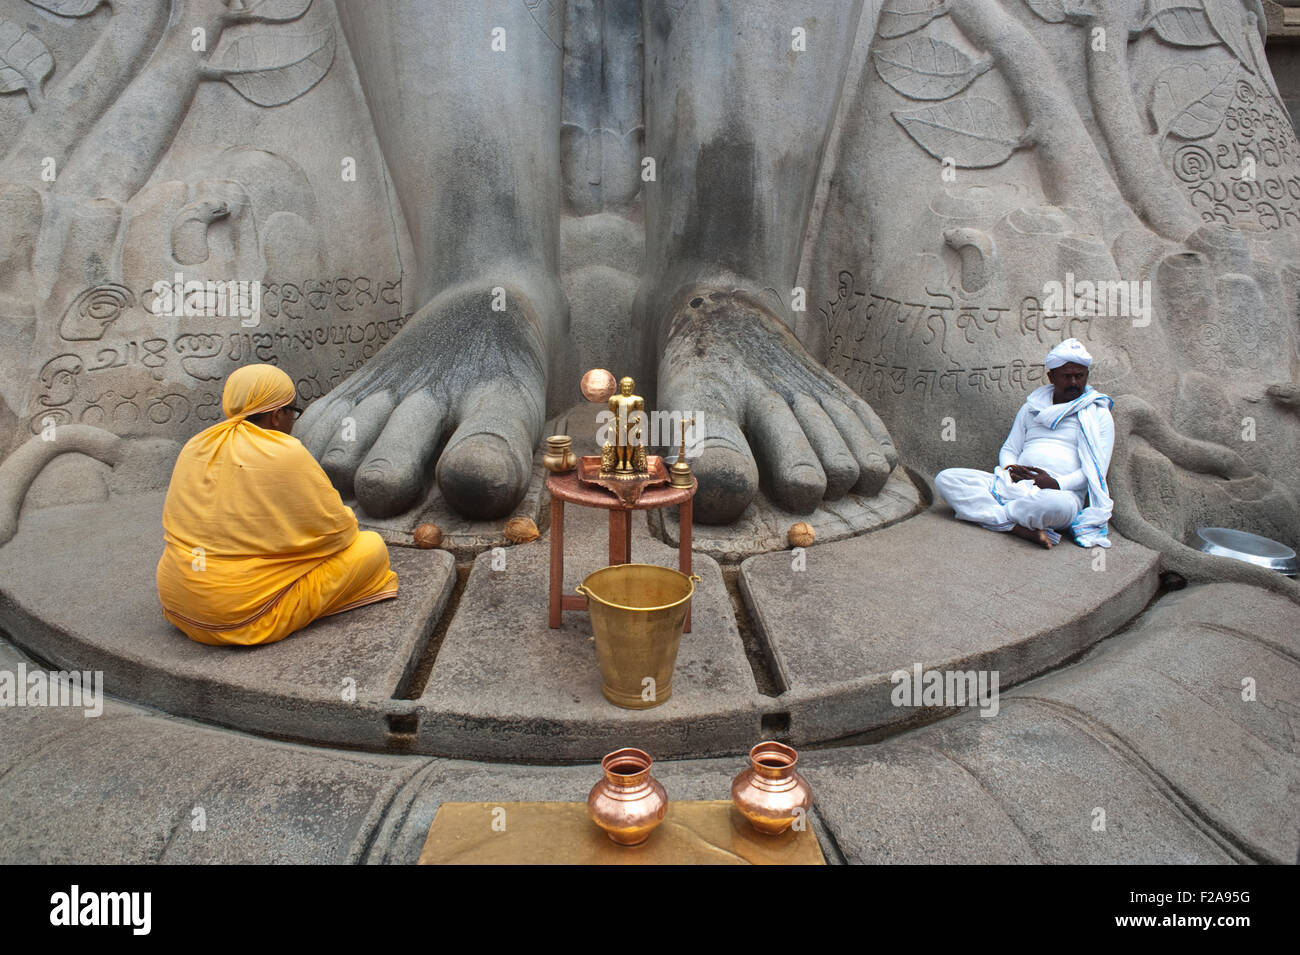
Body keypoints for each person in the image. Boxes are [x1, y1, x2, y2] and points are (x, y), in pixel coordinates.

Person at [156, 364, 398, 646]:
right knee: (370, 548)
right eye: (293, 412)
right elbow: (338, 533)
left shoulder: (195, 445)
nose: (293, 421)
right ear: (276, 415)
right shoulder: (285, 453)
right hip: (236, 617)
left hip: (176, 601)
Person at [934, 339, 1115, 549]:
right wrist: (1010, 470)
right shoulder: (1032, 407)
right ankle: (1018, 526)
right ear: (1051, 377)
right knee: (946, 479)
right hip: (1014, 485)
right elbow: (1010, 448)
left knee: (1052, 505)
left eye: (1080, 376)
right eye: (1067, 376)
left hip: (1061, 493)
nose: (1074, 382)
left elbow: (1096, 470)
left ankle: (996, 516)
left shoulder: (1098, 414)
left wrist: (1056, 484)